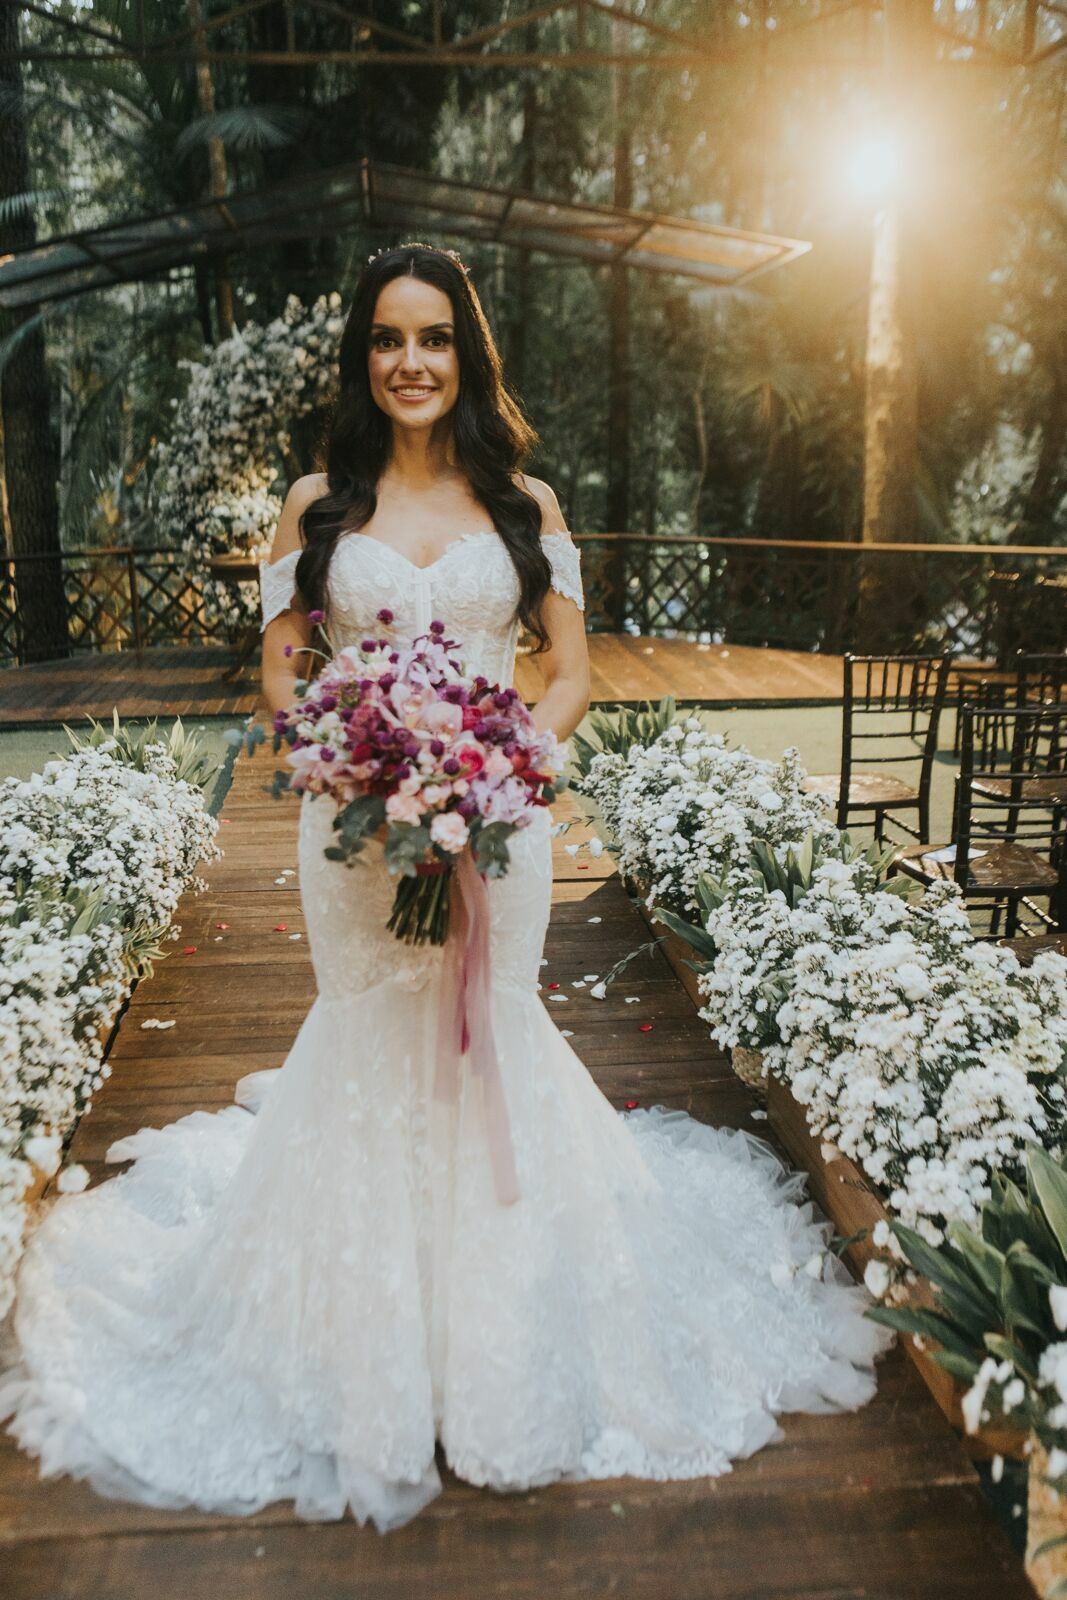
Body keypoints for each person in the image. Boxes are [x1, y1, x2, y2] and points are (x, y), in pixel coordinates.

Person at [0, 243, 890, 1534]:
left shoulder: (524, 503)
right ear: (362, 361)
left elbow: (571, 670)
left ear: (467, 355)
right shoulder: (315, 503)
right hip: (355, 829)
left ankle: (500, 1348)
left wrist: (513, 760)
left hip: (502, 816)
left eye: (433, 339)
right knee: (372, 1036)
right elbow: (281, 674)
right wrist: (355, 746)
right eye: (385, 340)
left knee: (493, 1032)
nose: (410, 362)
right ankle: (358, 1345)